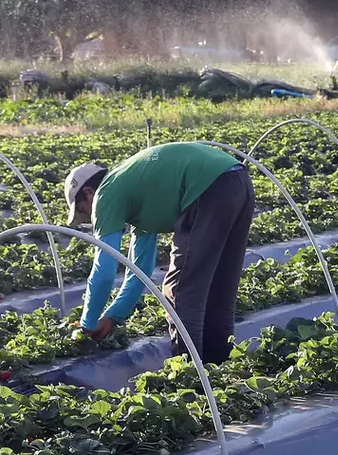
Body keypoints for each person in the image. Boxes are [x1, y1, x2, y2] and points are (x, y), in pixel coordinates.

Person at [64, 142, 255, 364]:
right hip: (237, 179)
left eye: (82, 210)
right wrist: (113, 315)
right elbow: (140, 271)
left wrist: (87, 324)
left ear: (89, 193)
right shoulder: (134, 190)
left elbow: (105, 269)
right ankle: (218, 368)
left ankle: (190, 374)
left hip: (207, 187)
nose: (89, 218)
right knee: (219, 287)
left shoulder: (106, 193)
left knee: (180, 290)